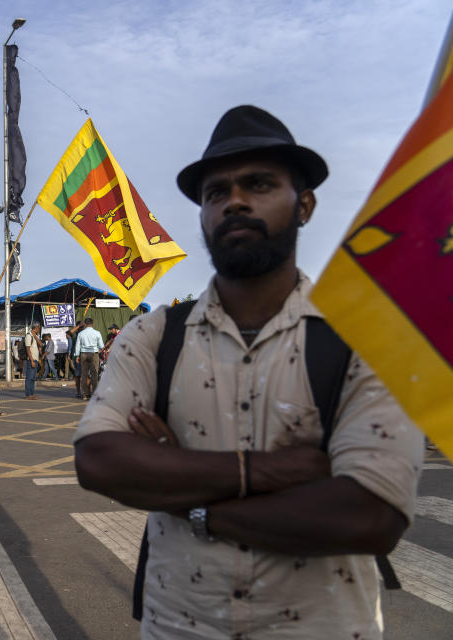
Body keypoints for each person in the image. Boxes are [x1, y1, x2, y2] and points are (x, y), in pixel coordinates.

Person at [73, 105, 423, 639]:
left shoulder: (365, 340)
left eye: (258, 184)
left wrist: (187, 493)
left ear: (304, 204)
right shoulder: (154, 336)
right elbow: (98, 460)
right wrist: (267, 471)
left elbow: (370, 514)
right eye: (216, 192)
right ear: (203, 215)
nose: (234, 200)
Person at [73, 317, 104, 399]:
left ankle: (85, 394)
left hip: (83, 354)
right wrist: (99, 349)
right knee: (94, 375)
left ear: (85, 324)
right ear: (92, 324)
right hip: (94, 354)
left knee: (84, 375)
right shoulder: (97, 333)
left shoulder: (81, 333)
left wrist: (76, 356)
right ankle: (94, 393)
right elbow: (101, 346)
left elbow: (77, 346)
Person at [22, 323, 40, 399]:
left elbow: (41, 344)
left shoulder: (34, 336)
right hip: (31, 360)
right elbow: (28, 349)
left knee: (33, 378)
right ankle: (28, 394)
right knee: (29, 378)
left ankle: (31, 394)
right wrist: (32, 360)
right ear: (35, 328)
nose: (39, 329)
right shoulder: (29, 336)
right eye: (38, 328)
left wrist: (35, 335)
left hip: (36, 360)